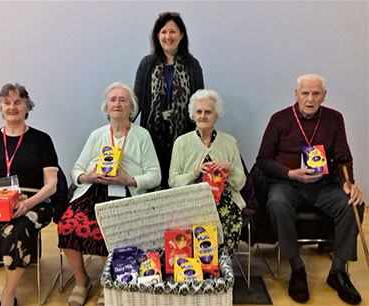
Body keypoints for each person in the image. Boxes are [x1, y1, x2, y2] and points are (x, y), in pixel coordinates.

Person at [256, 74, 365, 304]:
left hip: (323, 185)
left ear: (323, 96)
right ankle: (297, 268)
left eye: (316, 93)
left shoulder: (335, 119)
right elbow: (263, 159)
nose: (310, 98)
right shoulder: (280, 119)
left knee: (353, 204)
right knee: (276, 205)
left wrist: (349, 183)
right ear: (296, 95)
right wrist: (289, 173)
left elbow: (343, 156)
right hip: (288, 184)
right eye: (305, 93)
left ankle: (338, 271)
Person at [58, 82, 161, 306]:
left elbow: (155, 176)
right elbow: (76, 169)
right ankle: (81, 280)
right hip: (93, 191)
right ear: (106, 106)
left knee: (111, 230)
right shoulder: (97, 135)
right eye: (113, 99)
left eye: (123, 100)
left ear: (131, 107)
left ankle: (110, 282)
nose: (117, 103)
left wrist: (129, 179)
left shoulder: (142, 136)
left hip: (125, 192)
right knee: (66, 225)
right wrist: (88, 176)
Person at [0, 83, 59, 306]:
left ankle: (9, 295)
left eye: (18, 102)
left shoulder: (42, 140)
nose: (12, 107)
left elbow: (52, 184)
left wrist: (28, 204)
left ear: (27, 106)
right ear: (0, 107)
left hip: (31, 202)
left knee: (15, 232)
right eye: (7, 102)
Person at [169, 89, 246, 252]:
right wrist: (194, 173)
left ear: (216, 115)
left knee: (221, 218)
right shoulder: (181, 143)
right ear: (193, 115)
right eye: (199, 111)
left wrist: (229, 169)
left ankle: (220, 268)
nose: (203, 116)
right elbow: (173, 181)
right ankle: (197, 270)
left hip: (226, 204)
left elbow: (240, 183)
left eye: (208, 112)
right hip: (190, 203)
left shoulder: (230, 142)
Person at [134, 11, 204, 189]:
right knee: (153, 187)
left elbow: (199, 102)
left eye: (172, 32)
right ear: (157, 36)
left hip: (183, 138)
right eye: (163, 32)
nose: (168, 36)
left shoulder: (192, 64)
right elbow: (137, 100)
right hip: (152, 139)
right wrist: (121, 128)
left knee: (177, 187)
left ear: (181, 35)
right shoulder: (147, 64)